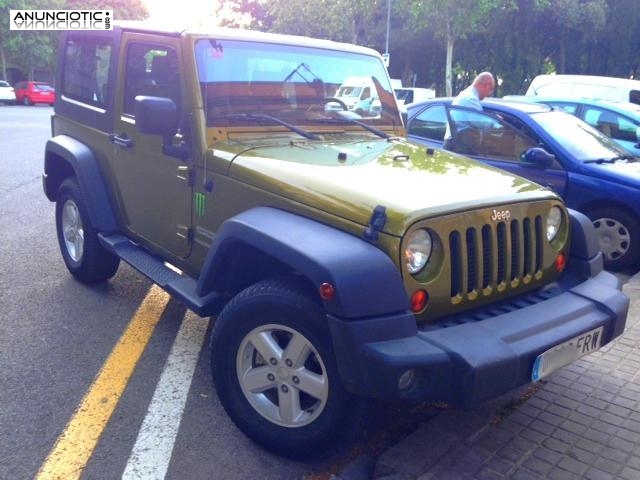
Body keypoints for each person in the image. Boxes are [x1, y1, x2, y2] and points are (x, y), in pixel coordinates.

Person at [443, 72, 496, 150]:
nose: (489, 93)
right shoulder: (471, 99)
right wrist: (496, 122)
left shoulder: (466, 95)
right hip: (460, 146)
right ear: (486, 85)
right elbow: (481, 124)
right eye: (491, 89)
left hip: (457, 143)